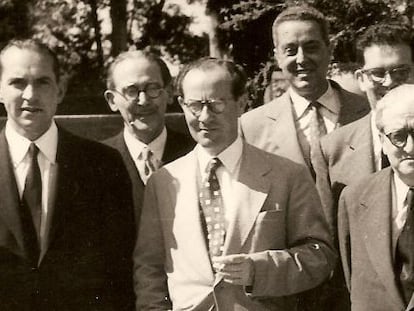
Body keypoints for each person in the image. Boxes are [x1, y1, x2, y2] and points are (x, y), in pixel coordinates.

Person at [133, 57, 336, 310]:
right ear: (183, 105)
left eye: (216, 104)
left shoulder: (287, 175)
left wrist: (258, 270)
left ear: (241, 103)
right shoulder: (164, 182)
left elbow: (320, 256)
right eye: (195, 105)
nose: (205, 117)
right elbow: (149, 268)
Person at [0, 39, 135, 310]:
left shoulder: (103, 165)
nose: (30, 94)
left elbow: (119, 271)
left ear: (60, 90)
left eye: (42, 82)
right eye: (17, 82)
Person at [240, 5, 369, 178]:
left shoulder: (368, 112)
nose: (301, 59)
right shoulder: (251, 127)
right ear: (277, 57)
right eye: (290, 50)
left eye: (311, 47)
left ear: (329, 50)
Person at [315, 22, 414, 242]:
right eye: (377, 73)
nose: (389, 82)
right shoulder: (331, 150)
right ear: (361, 79)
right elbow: (329, 240)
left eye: (401, 72)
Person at [338, 84, 414, 311]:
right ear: (382, 141)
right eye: (398, 136)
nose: (410, 147)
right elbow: (352, 283)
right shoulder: (354, 198)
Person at [103, 50, 194, 221]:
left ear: (168, 92)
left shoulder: (194, 153)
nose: (144, 100)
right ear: (112, 100)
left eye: (153, 88)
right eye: (131, 91)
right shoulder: (96, 162)